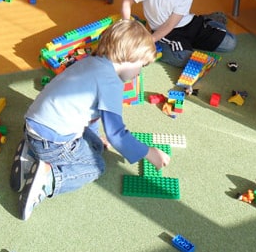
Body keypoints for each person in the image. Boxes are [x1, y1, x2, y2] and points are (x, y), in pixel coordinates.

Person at [9, 19, 171, 221]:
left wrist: (95, 138)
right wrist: (149, 153)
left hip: (33, 125)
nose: (139, 73)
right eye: (141, 65)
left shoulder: (90, 62)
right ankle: (47, 179)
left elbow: (91, 114)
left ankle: (30, 151)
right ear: (129, 57)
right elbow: (117, 135)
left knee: (96, 146)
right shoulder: (111, 83)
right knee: (95, 165)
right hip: (52, 142)